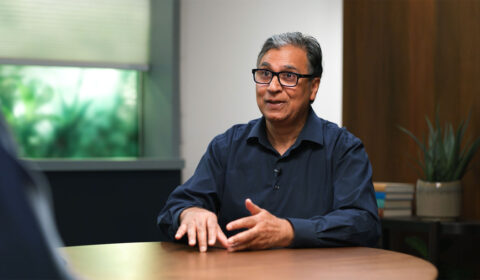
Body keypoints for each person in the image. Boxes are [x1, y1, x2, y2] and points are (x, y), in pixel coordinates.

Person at [157, 32, 380, 252]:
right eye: (265, 74)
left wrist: (289, 231)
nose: (273, 87)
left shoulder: (343, 149)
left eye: (288, 76)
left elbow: (363, 223)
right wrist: (190, 213)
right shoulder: (228, 146)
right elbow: (174, 208)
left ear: (313, 87)